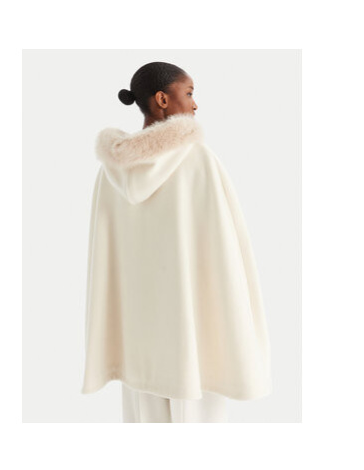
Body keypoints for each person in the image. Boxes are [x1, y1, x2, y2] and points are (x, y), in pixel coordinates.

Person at [81, 61, 272, 423]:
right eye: (189, 93)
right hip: (194, 329)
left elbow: (107, 256)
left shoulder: (110, 171)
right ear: (162, 100)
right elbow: (224, 247)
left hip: (137, 333)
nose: (195, 104)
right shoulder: (197, 158)